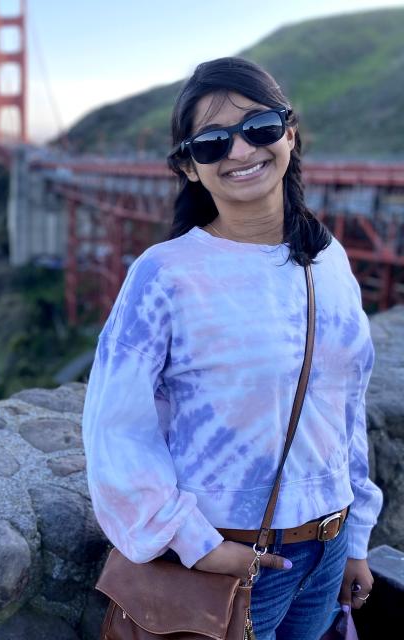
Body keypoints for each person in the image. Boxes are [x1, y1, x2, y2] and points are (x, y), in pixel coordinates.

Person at [80, 57, 383, 639]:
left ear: (289, 135)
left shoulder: (328, 260)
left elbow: (347, 410)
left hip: (326, 552)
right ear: (190, 168)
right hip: (227, 561)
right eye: (212, 143)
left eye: (260, 127)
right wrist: (192, 544)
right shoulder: (164, 274)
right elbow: (114, 430)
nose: (241, 152)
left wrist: (354, 537)